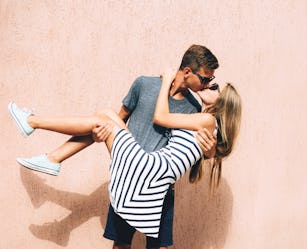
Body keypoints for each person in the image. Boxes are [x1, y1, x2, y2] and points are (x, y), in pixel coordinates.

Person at [10, 45, 221, 249]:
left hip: (161, 186)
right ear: (186, 72)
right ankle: (49, 152)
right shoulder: (144, 85)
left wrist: (210, 151)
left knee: (159, 247)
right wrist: (98, 136)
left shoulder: (194, 108)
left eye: (210, 80)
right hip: (130, 173)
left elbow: (192, 153)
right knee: (121, 244)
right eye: (204, 78)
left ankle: (44, 143)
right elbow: (117, 120)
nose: (207, 84)